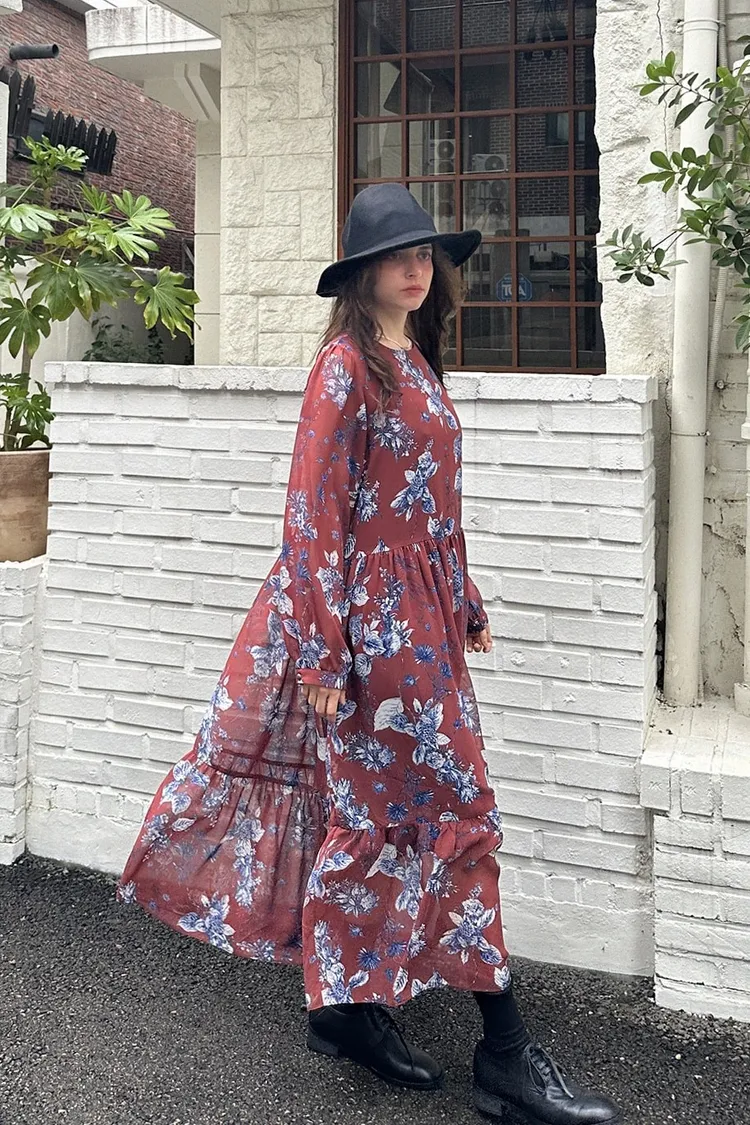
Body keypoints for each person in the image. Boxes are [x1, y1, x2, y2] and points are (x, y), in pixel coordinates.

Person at [116, 183, 622, 1125]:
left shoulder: (415, 361)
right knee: (445, 811)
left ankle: (343, 1011)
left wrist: (464, 596)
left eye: (426, 253)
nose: (417, 268)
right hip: (372, 640)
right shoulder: (344, 369)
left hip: (424, 627)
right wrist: (320, 653)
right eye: (397, 255)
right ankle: (504, 1054)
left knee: (390, 813)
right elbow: (312, 518)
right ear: (361, 273)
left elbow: (432, 502)